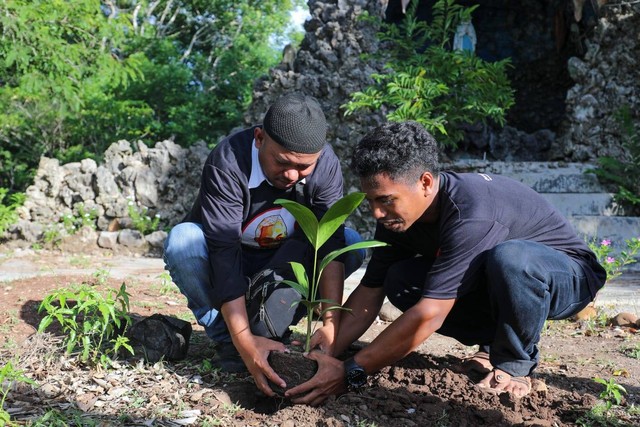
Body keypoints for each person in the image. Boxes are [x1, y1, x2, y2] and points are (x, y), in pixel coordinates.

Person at [285, 121, 607, 405]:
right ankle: (492, 344)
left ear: (425, 182)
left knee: (511, 260)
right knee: (400, 279)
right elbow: (371, 291)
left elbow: (430, 315)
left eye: (386, 200)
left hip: (566, 275)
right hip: (499, 278)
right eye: (371, 201)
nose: (377, 213)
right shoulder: (396, 218)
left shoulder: (471, 212)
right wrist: (328, 348)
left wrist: (352, 372)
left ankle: (513, 366)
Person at [163, 92, 364, 397]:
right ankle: (228, 338)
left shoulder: (325, 166)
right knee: (184, 242)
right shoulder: (229, 162)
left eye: (304, 167)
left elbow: (330, 245)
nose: (292, 175)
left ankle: (273, 332)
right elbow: (223, 251)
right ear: (259, 138)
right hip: (231, 263)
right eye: (282, 162)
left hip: (283, 265)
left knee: (351, 242)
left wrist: (331, 324)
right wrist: (244, 341)